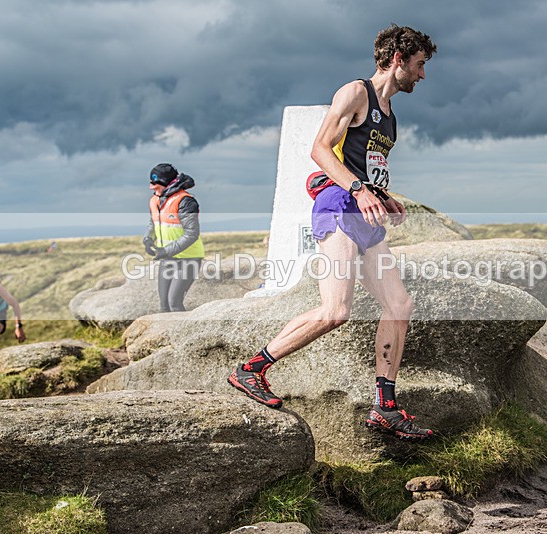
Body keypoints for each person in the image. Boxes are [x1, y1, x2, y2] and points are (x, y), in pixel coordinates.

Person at [228, 24, 437, 441]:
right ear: (398, 60)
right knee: (335, 312)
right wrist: (360, 190)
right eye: (419, 65)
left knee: (399, 305)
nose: (422, 75)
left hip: (365, 218)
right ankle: (250, 370)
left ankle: (385, 407)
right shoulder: (355, 92)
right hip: (338, 209)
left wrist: (382, 196)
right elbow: (320, 149)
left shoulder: (390, 116)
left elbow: (362, 165)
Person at [143, 163, 205, 312]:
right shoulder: (154, 200)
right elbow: (153, 224)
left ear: (166, 183)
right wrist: (147, 239)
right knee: (164, 305)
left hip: (188, 258)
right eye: (150, 182)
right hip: (168, 258)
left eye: (155, 183)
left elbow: (192, 234)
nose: (151, 187)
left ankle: (185, 335)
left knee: (174, 303)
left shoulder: (186, 201)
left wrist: (166, 250)